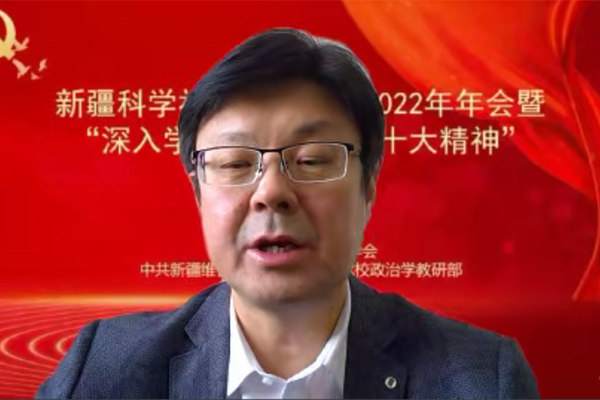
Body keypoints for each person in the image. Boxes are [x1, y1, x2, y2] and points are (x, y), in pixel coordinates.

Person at [36, 28, 539, 399]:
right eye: (235, 163)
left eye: (313, 160)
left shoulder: (480, 379)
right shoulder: (104, 370)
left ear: (369, 187)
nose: (272, 192)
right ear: (198, 194)